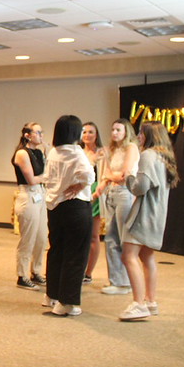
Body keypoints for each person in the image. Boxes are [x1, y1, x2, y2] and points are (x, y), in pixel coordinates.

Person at [119, 121, 179, 321]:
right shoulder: (165, 157)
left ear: (150, 135)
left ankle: (139, 304)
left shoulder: (147, 155)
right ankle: (150, 301)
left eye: (141, 133)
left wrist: (128, 177)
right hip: (157, 216)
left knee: (128, 256)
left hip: (143, 215)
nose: (138, 136)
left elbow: (140, 187)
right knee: (147, 256)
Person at [43, 115, 95, 316]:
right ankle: (67, 303)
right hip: (76, 207)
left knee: (56, 251)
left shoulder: (53, 152)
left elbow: (48, 178)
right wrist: (79, 186)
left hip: (55, 207)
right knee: (75, 254)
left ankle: (51, 295)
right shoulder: (76, 152)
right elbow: (90, 176)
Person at [94, 118, 139, 295]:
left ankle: (126, 282)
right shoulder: (113, 150)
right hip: (112, 193)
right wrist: (104, 182)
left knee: (122, 237)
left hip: (124, 193)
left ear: (126, 132)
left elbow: (124, 175)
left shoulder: (131, 148)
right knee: (110, 237)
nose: (114, 133)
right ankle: (116, 280)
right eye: (113, 129)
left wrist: (109, 176)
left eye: (118, 130)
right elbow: (107, 174)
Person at [12, 123, 48, 291]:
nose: (41, 135)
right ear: (27, 135)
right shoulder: (22, 153)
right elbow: (31, 179)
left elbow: (44, 174)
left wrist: (47, 154)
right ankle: (22, 275)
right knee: (28, 238)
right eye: (38, 132)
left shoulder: (39, 153)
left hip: (40, 195)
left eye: (41, 132)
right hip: (28, 195)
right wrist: (46, 177)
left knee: (42, 237)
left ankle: (36, 271)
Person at [81, 122, 105, 284]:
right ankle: (78, 269)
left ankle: (88, 273)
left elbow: (105, 176)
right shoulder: (78, 152)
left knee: (93, 235)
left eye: (91, 132)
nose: (87, 135)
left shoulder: (102, 153)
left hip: (95, 194)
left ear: (96, 135)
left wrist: (97, 193)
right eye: (84, 132)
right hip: (80, 193)